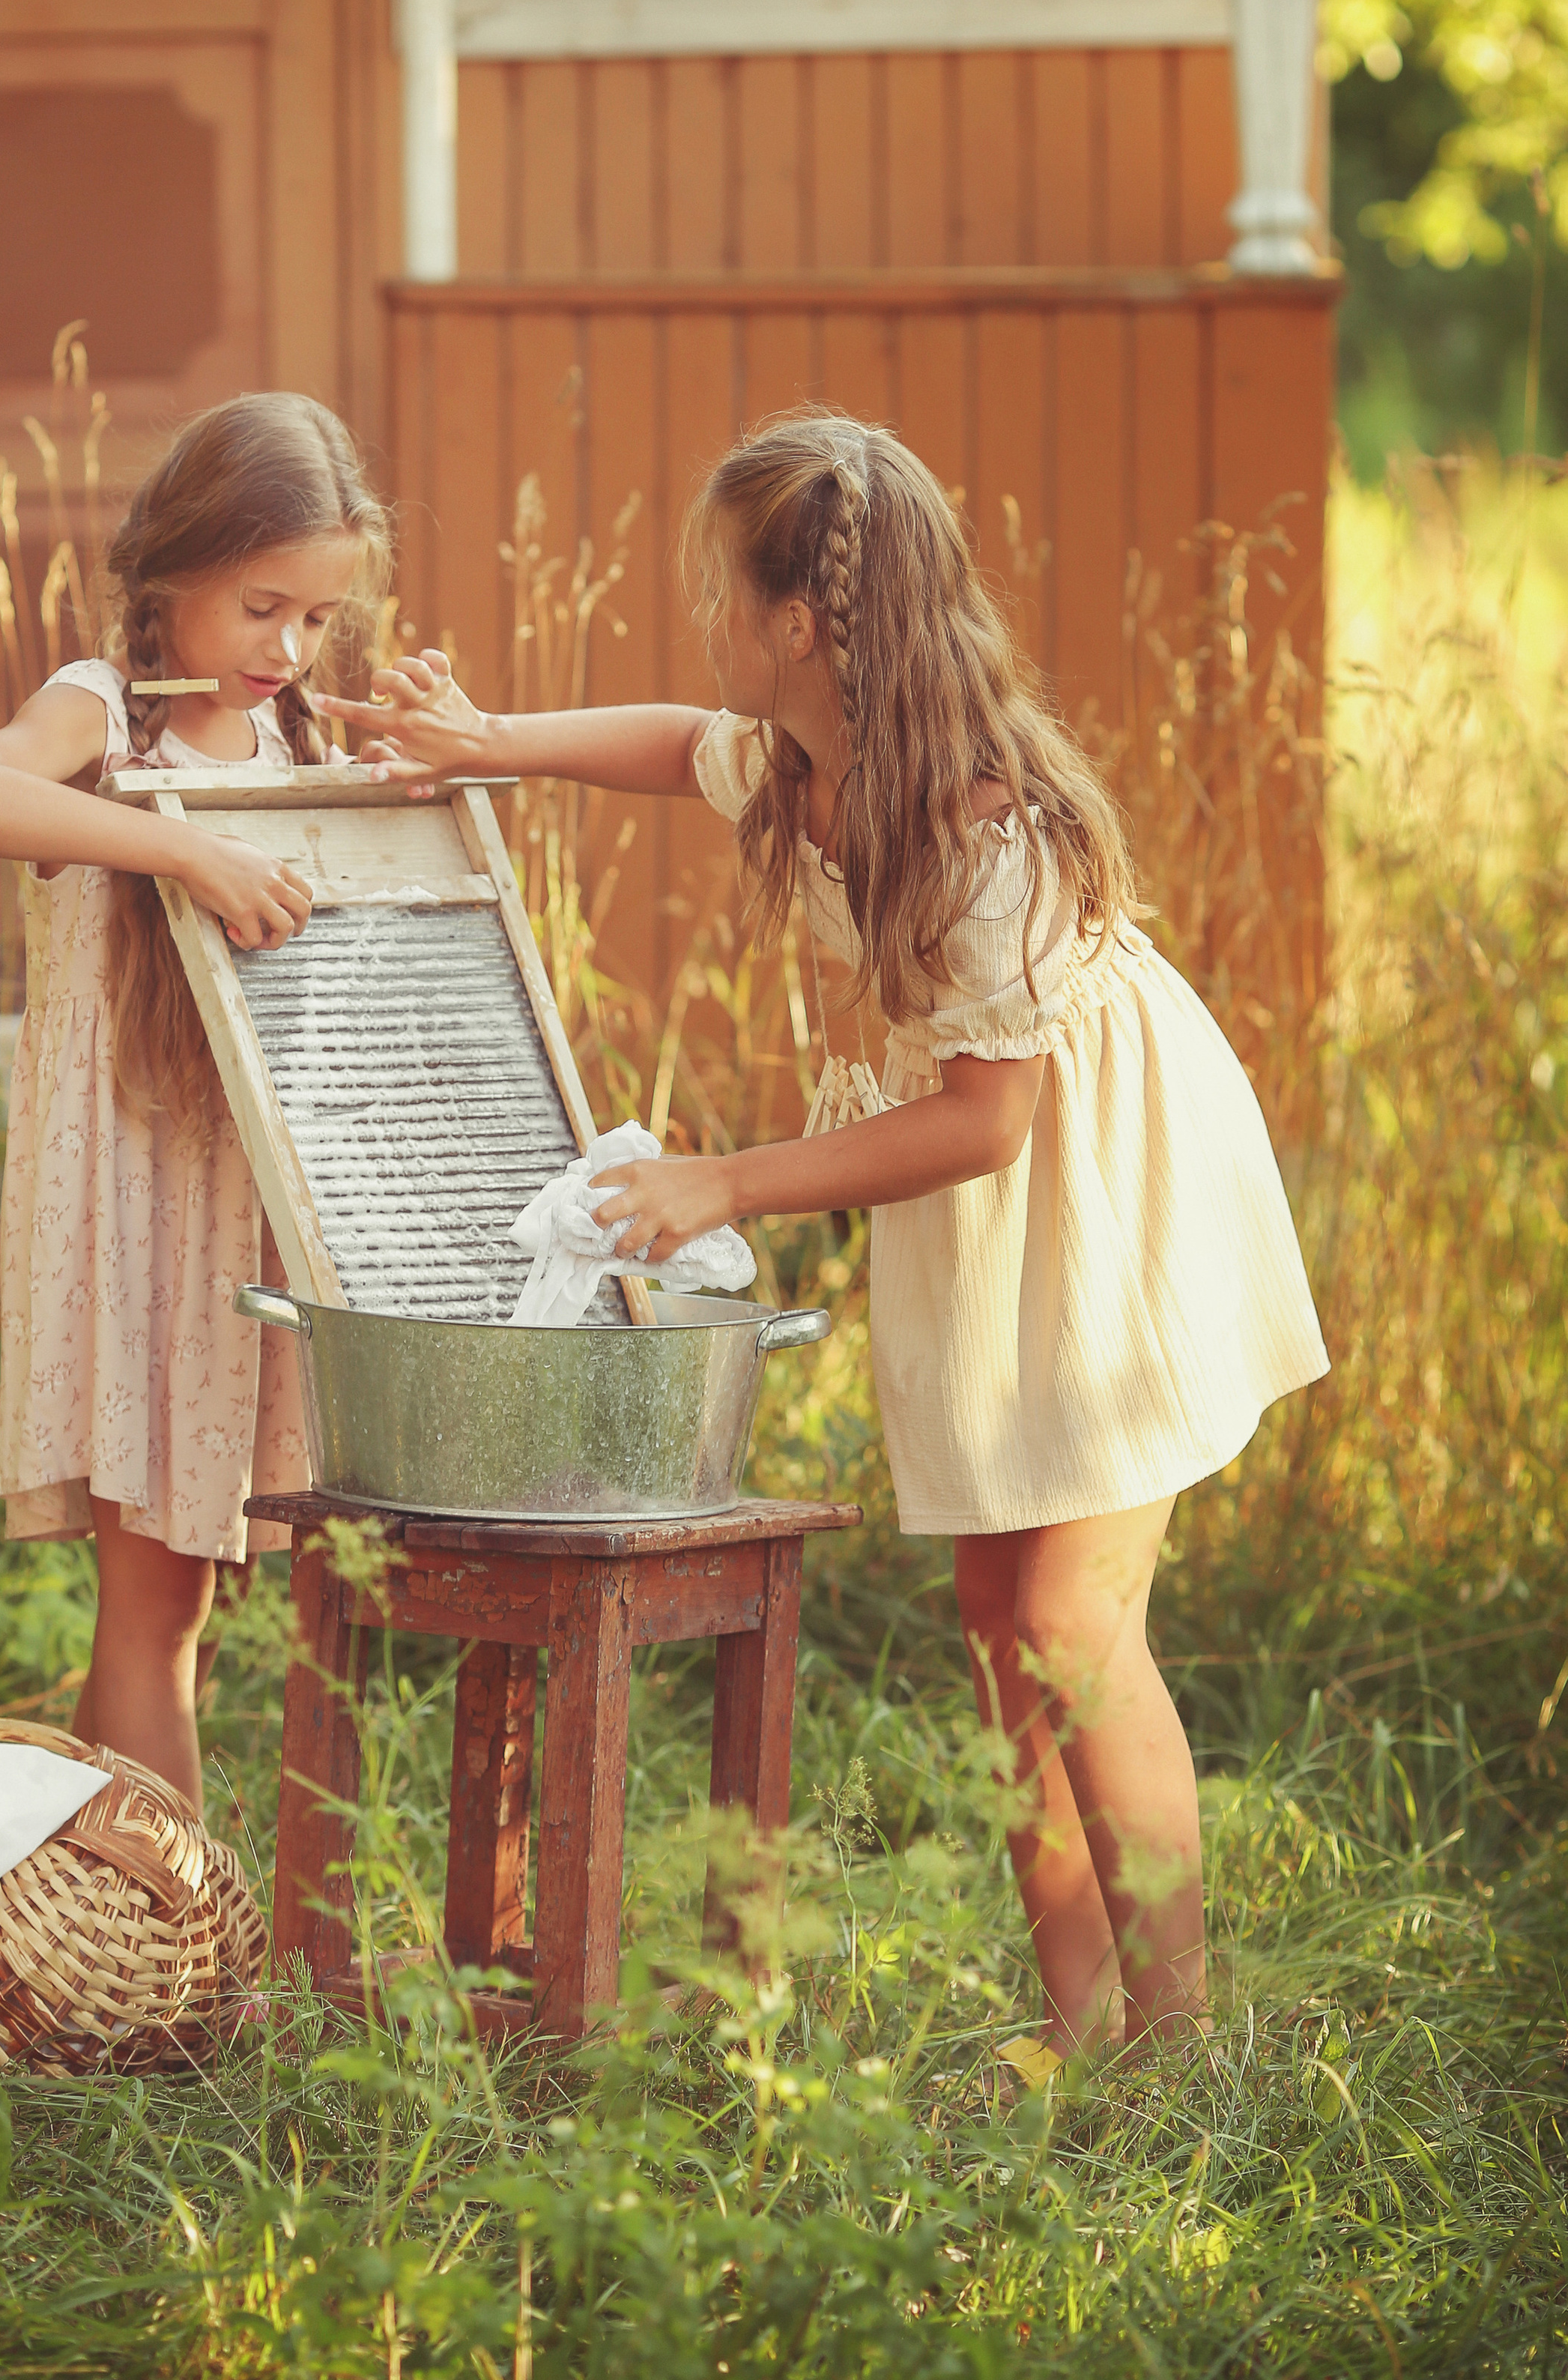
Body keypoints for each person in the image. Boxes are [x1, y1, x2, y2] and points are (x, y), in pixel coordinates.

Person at [314, 409, 1328, 2052]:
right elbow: (664, 743)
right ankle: (1079, 2025)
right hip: (992, 1210)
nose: (702, 626)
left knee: (1075, 1625)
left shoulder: (978, 822)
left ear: (796, 624)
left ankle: (1184, 2038)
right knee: (1003, 1630)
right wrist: (484, 738)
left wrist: (724, 1180)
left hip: (1103, 1201)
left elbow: (987, 1118)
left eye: (718, 593)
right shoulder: (807, 757)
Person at [0, 393, 390, 1807]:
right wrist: (182, 853)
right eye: (261, 607)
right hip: (129, 1206)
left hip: (248, 1207)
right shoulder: (102, 707)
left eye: (315, 620)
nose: (288, 649)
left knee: (202, 1600)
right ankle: (171, 1952)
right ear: (175, 566)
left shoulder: (297, 732)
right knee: (158, 1608)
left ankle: (117, 1911)